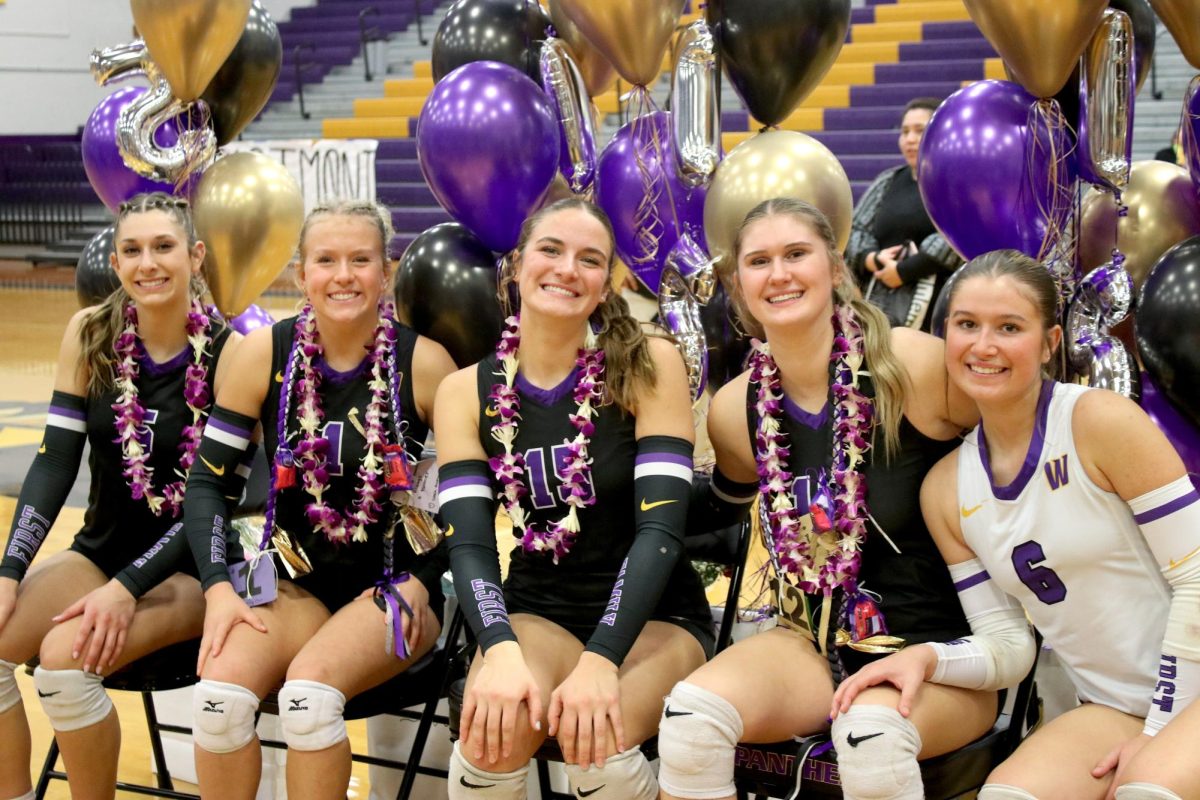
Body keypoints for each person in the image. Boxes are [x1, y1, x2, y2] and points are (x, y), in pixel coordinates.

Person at [829, 249, 1200, 800]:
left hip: (1184, 693)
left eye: (1009, 327)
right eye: (966, 325)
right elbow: (1007, 646)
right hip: (1115, 705)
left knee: (1148, 790)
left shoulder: (1098, 421)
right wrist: (928, 657)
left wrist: (1158, 732)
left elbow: (1196, 580)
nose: (984, 346)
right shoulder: (946, 489)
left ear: (1050, 342)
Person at [657, 197, 993, 800]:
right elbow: (718, 511)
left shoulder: (911, 365)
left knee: (871, 739)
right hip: (807, 646)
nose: (779, 274)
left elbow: (1017, 453)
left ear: (835, 268)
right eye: (759, 261)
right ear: (737, 284)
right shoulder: (735, 411)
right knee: (690, 723)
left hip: (936, 655)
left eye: (796, 254)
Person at [435, 198, 711, 800]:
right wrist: (499, 648)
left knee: (599, 751)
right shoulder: (463, 391)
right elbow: (473, 545)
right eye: (551, 250)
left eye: (590, 259)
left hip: (657, 618)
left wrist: (602, 657)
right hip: (540, 609)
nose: (567, 269)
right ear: (516, 264)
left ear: (607, 282)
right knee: (485, 745)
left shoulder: (649, 363)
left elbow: (660, 533)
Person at [182, 200, 456, 800]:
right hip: (296, 584)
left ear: (386, 271)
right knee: (218, 703)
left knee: (307, 701)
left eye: (361, 259)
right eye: (325, 260)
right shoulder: (263, 355)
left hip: (395, 588)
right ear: (301, 272)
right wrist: (218, 588)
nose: (343, 275)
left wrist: (423, 577)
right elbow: (206, 482)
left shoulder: (425, 364)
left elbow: (463, 503)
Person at [0, 192, 239, 800]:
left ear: (196, 255)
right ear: (115, 257)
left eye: (164, 246)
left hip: (189, 568)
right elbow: (54, 465)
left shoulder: (232, 352)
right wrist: (9, 572)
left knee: (60, 665)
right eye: (131, 249)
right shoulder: (90, 333)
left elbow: (212, 503)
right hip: (98, 554)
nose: (147, 264)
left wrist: (127, 589)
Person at [845, 97, 961, 331]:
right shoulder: (888, 180)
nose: (909, 139)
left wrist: (904, 271)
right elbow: (854, 229)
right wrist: (874, 259)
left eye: (920, 131)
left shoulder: (957, 183)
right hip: (882, 304)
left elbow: (959, 233)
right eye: (905, 131)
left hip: (939, 308)